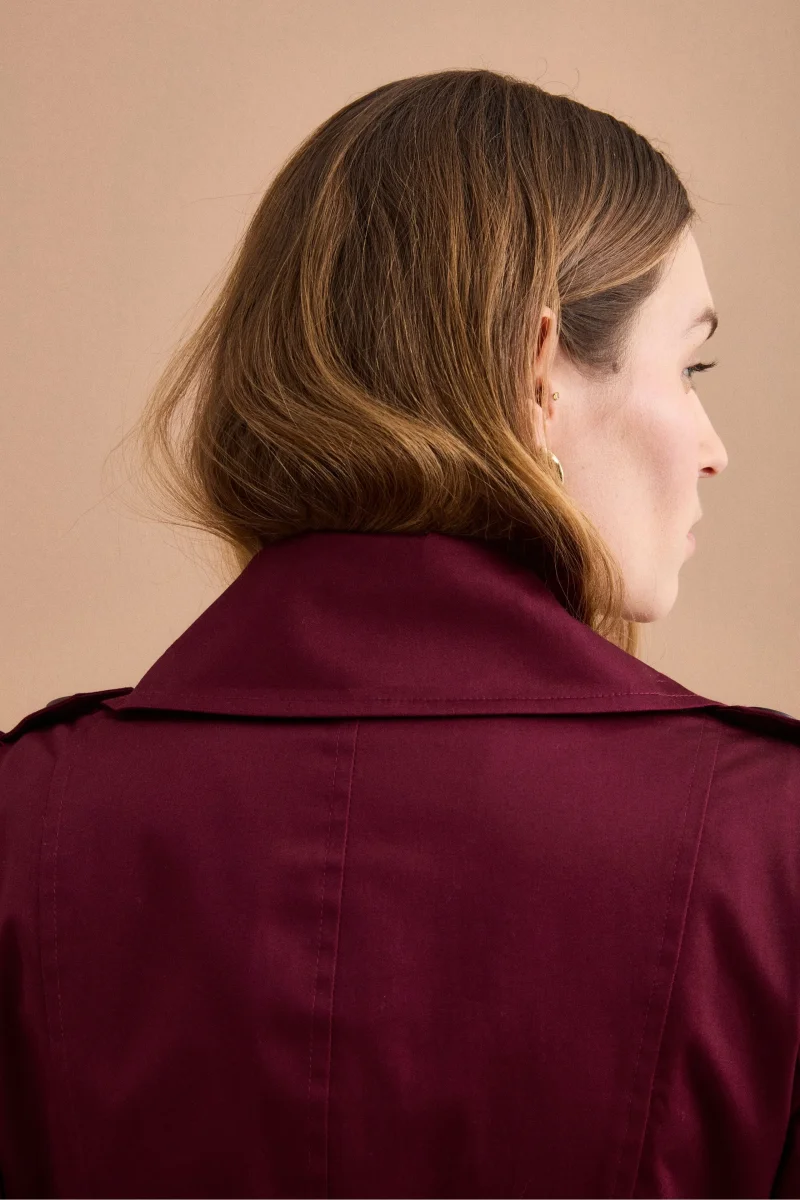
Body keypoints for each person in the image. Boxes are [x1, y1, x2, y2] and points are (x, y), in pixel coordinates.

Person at [2, 68, 799, 1199]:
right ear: (538, 373)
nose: (713, 448)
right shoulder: (770, 843)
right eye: (690, 367)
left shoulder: (28, 818)